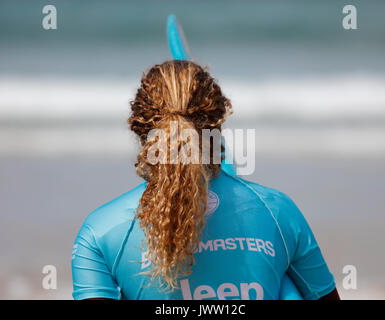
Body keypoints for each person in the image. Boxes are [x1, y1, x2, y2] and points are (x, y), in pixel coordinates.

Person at [71, 60, 340, 300]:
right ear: (217, 123)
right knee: (288, 286)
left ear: (139, 128)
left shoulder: (101, 231)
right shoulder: (277, 212)